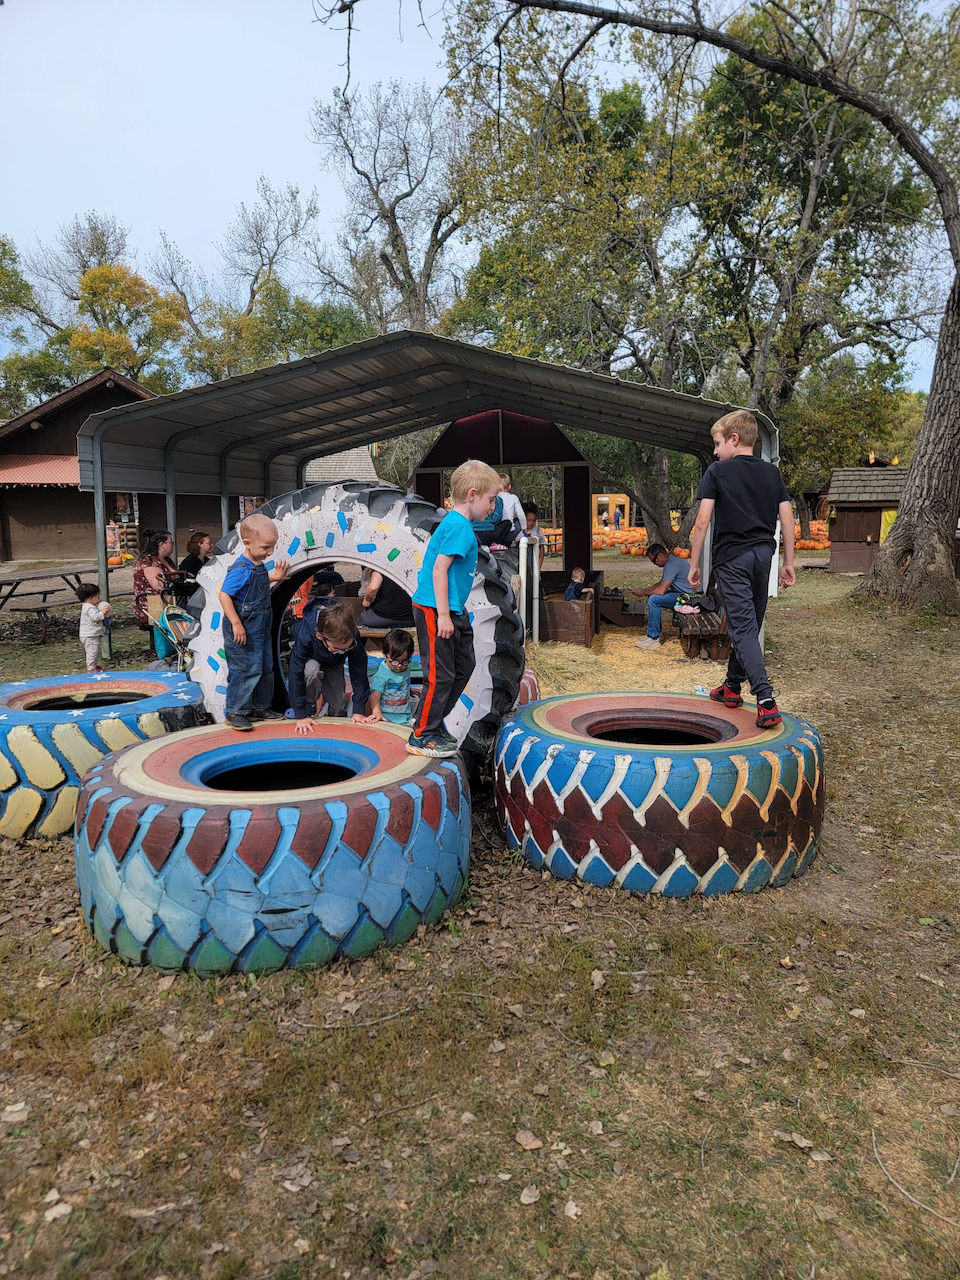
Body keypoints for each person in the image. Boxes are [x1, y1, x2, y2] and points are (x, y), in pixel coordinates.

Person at [689, 409, 795, 729]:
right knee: (749, 624)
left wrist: (694, 564)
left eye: (717, 443)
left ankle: (765, 700)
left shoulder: (718, 472)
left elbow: (702, 521)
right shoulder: (772, 473)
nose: (714, 451)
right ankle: (731, 687)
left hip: (732, 558)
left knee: (744, 629)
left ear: (734, 439)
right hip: (763, 556)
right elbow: (787, 519)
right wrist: (789, 562)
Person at [408, 458, 501, 757]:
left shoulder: (460, 525)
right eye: (491, 499)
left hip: (451, 608)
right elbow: (439, 570)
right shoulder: (459, 527)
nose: (493, 507)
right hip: (436, 609)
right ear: (472, 495)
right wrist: (445, 616)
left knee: (464, 666)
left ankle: (431, 722)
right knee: (441, 674)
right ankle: (422, 734)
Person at [218, 513, 289, 732]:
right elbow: (224, 595)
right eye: (266, 547)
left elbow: (254, 582)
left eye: (272, 547)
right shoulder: (240, 568)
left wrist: (274, 577)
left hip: (260, 627)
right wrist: (236, 623)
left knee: (265, 666)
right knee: (245, 668)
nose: (270, 552)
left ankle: (260, 706)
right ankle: (235, 711)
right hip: (244, 629)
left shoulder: (257, 565)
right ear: (247, 543)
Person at [289, 600, 371, 732]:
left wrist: (359, 710)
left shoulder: (352, 636)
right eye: (338, 648)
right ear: (320, 636)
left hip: (334, 662)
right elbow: (295, 672)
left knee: (338, 704)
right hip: (312, 660)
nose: (343, 651)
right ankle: (308, 707)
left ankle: (336, 716)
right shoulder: (305, 636)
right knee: (311, 670)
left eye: (346, 649)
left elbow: (359, 671)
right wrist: (300, 713)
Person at [631, 543, 692, 649]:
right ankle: (652, 633)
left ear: (660, 556)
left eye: (654, 561)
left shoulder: (671, 565)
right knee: (652, 597)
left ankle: (654, 638)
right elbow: (661, 584)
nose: (655, 564)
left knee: (654, 599)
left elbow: (661, 591)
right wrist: (644, 590)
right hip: (684, 595)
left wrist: (643, 593)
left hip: (690, 598)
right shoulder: (673, 561)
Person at [133, 529, 181, 659]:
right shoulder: (149, 562)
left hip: (166, 602)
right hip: (150, 606)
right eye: (171, 542)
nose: (173, 545)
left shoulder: (166, 560)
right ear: (162, 544)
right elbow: (159, 585)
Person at [365, 629, 416, 725]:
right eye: (395, 661)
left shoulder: (407, 667)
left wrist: (409, 690)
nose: (399, 665)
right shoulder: (382, 675)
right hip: (386, 719)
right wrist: (377, 713)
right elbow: (374, 696)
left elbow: (401, 683)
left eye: (405, 661)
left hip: (406, 717)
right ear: (384, 654)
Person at [76, 583, 111, 673]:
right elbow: (96, 617)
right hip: (89, 635)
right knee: (92, 652)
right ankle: (91, 668)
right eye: (97, 597)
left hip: (92, 634)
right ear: (91, 597)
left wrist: (106, 616)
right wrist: (103, 612)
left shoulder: (90, 606)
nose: (98, 599)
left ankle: (94, 666)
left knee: (95, 651)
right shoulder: (89, 608)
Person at [177, 531, 212, 604]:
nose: (211, 545)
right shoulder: (189, 562)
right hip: (192, 598)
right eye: (208, 543)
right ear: (200, 544)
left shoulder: (207, 561)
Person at [498, 474, 525, 542]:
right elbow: (521, 515)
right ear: (509, 486)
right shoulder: (513, 498)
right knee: (518, 520)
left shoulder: (494, 497)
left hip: (496, 532)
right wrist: (525, 528)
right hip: (509, 533)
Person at [522, 503, 546, 572]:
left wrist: (540, 561)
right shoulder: (520, 530)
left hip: (534, 560)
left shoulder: (538, 532)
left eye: (533, 521)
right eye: (529, 520)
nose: (531, 523)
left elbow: (541, 547)